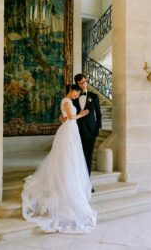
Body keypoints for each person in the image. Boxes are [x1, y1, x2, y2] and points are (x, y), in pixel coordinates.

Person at [21, 84, 97, 233]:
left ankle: (68, 178)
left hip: (70, 129)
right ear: (71, 90)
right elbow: (70, 117)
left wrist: (66, 117)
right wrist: (82, 114)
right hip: (68, 131)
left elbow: (63, 118)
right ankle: (64, 181)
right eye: (76, 92)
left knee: (70, 157)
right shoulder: (67, 101)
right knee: (65, 156)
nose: (76, 95)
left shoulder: (67, 102)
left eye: (78, 94)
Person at [73, 74, 102, 177]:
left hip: (91, 131)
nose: (84, 84)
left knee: (88, 157)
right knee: (77, 157)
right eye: (80, 83)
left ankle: (87, 184)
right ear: (77, 84)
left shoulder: (94, 96)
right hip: (76, 131)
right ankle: (77, 182)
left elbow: (98, 114)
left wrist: (98, 127)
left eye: (85, 81)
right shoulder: (73, 97)